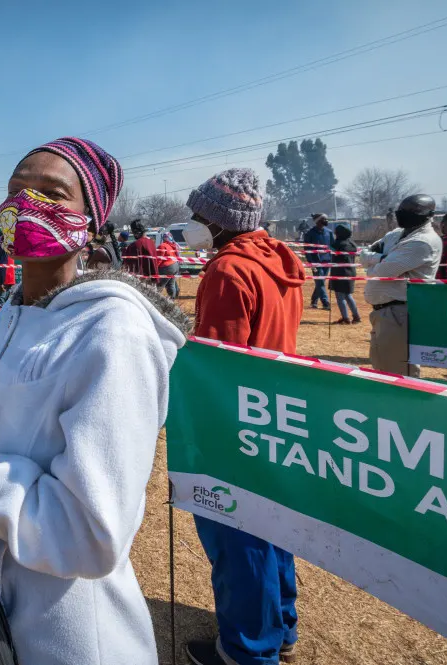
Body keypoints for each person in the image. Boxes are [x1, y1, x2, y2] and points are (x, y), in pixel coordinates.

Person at [0, 136, 187, 665]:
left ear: (90, 220)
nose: (27, 205)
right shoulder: (16, 313)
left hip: (65, 635)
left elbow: (88, 532)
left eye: (53, 193)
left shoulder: (113, 332)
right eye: (16, 191)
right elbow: (10, 419)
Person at [181, 168, 305, 665]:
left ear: (219, 220)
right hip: (273, 413)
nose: (191, 222)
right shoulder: (279, 259)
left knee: (238, 532)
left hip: (235, 419)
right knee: (274, 525)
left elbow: (219, 359)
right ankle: (282, 627)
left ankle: (248, 650)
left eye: (198, 215)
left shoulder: (229, 270)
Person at [360, 194, 443, 377]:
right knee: (382, 365)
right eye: (402, 210)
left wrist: (375, 263)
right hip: (384, 313)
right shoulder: (395, 235)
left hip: (400, 313)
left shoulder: (422, 242)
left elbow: (382, 272)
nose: (404, 214)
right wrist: (380, 259)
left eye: (412, 211)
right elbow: (364, 255)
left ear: (430, 214)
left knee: (398, 373)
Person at [329, 225, 361, 324]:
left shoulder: (337, 243)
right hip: (351, 271)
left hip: (340, 272)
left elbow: (329, 250)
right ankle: (356, 317)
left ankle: (345, 318)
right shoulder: (352, 243)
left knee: (340, 296)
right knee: (348, 295)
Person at [302, 213, 334, 309]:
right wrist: (311, 262)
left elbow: (333, 246)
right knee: (320, 282)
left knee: (321, 282)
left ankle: (314, 301)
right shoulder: (309, 233)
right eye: (324, 219)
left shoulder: (329, 232)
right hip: (315, 262)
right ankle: (325, 303)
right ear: (318, 221)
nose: (326, 221)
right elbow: (307, 249)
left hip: (327, 261)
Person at [156, 232, 181, 299]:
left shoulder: (162, 246)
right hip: (175, 266)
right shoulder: (172, 245)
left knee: (160, 285)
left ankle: (154, 299)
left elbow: (159, 259)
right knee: (171, 284)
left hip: (167, 267)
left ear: (163, 238)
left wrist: (155, 268)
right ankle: (172, 301)